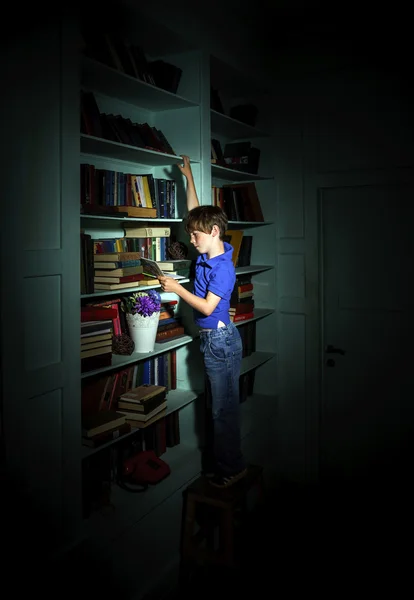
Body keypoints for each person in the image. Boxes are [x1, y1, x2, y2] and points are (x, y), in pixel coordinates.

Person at [159, 156, 247, 488]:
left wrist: (177, 288)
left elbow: (208, 309)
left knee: (222, 411)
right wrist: (189, 178)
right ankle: (218, 464)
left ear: (212, 233)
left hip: (220, 341)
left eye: (195, 236)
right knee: (216, 407)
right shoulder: (209, 248)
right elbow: (196, 213)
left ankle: (232, 467)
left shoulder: (222, 267)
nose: (190, 242)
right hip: (213, 341)